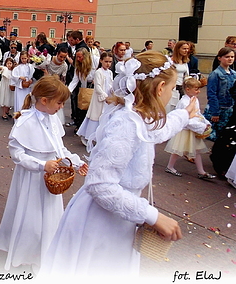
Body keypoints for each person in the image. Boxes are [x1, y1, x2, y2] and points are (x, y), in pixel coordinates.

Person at [40, 52, 197, 277]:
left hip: (118, 216)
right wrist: (152, 216)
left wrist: (183, 114)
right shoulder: (126, 124)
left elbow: (158, 130)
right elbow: (100, 185)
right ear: (160, 87)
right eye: (173, 88)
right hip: (101, 222)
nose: (173, 93)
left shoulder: (138, 117)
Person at [0, 75, 88, 271]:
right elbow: (17, 154)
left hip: (51, 175)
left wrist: (77, 163)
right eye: (59, 102)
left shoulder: (52, 119)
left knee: (50, 217)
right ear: (44, 100)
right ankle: (27, 252)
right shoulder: (24, 121)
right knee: (32, 217)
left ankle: (46, 252)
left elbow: (59, 149)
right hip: (32, 177)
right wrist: (40, 164)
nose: (62, 107)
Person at [164, 77, 214, 179]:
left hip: (193, 129)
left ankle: (201, 171)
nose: (199, 91)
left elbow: (198, 113)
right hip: (185, 130)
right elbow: (186, 119)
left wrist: (205, 122)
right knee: (178, 150)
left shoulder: (194, 99)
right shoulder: (183, 102)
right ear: (187, 89)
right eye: (196, 89)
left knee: (197, 150)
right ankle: (170, 166)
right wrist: (201, 126)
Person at [77, 51, 114, 147]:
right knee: (95, 116)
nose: (108, 64)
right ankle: (89, 136)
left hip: (107, 98)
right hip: (99, 98)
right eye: (106, 61)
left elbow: (110, 84)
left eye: (110, 62)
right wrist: (104, 96)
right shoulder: (98, 72)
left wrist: (113, 92)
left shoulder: (110, 72)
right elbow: (97, 86)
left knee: (104, 117)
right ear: (101, 61)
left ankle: (100, 137)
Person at [203, 47, 236, 141]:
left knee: (225, 133)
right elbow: (212, 94)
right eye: (227, 57)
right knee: (214, 134)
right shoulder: (215, 74)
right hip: (218, 108)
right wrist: (215, 112)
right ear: (219, 58)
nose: (230, 59)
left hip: (229, 108)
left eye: (232, 57)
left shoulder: (233, 74)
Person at [68, 48, 97, 130]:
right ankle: (81, 127)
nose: (78, 59)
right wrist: (68, 91)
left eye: (80, 57)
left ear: (85, 56)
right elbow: (75, 80)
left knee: (92, 109)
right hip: (84, 88)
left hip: (95, 86)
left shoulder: (95, 60)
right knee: (82, 107)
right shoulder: (78, 66)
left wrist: (97, 78)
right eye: (77, 57)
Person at [166, 40, 190, 112]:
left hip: (181, 88)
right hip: (172, 88)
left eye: (187, 49)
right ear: (178, 49)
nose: (186, 50)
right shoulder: (170, 61)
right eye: (184, 49)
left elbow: (186, 76)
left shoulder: (185, 62)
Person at [12, 51, 34, 116]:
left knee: (26, 101)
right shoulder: (17, 67)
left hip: (27, 87)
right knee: (19, 102)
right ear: (20, 58)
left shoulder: (30, 66)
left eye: (25, 58)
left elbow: (33, 75)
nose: (24, 60)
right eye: (22, 58)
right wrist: (19, 77)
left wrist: (31, 80)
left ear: (28, 58)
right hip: (20, 87)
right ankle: (18, 116)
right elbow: (13, 76)